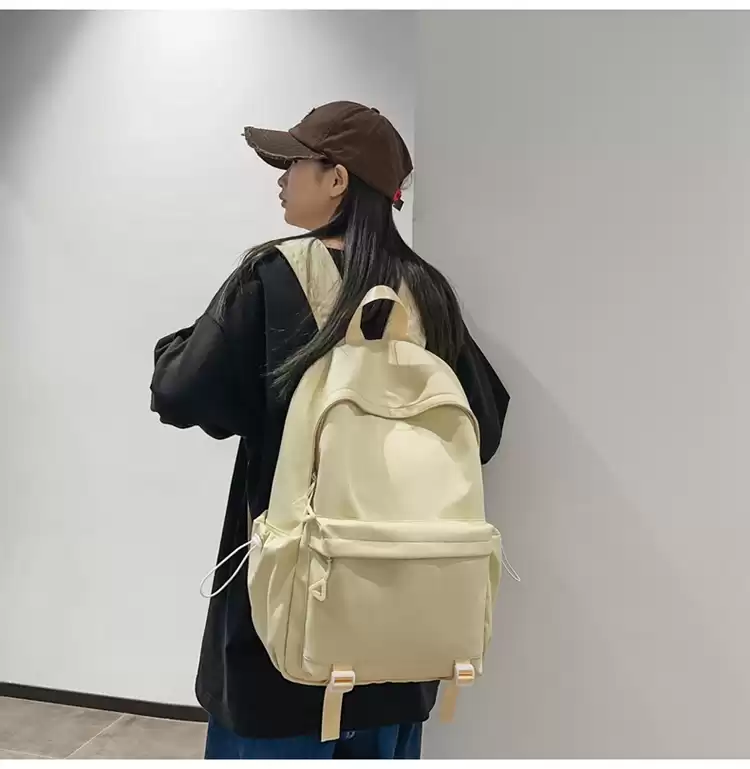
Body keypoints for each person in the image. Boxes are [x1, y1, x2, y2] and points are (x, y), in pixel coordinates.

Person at [150, 101, 510, 760]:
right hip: (403, 639)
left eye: (293, 163)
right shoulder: (426, 293)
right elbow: (483, 427)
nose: (281, 177)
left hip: (282, 642)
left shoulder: (273, 275)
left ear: (337, 179)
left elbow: (177, 391)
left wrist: (190, 346)